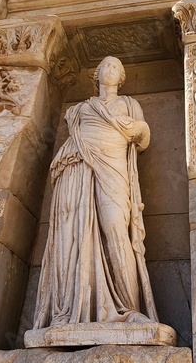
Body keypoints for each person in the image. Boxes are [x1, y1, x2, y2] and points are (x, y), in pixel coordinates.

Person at [32, 55, 158, 330]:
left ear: (122, 77)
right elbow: (73, 137)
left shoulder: (129, 104)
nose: (110, 70)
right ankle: (69, 310)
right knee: (73, 234)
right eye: (106, 66)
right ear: (97, 74)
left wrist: (135, 128)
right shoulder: (79, 109)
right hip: (76, 168)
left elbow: (143, 138)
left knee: (115, 226)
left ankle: (129, 307)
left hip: (113, 168)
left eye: (116, 67)